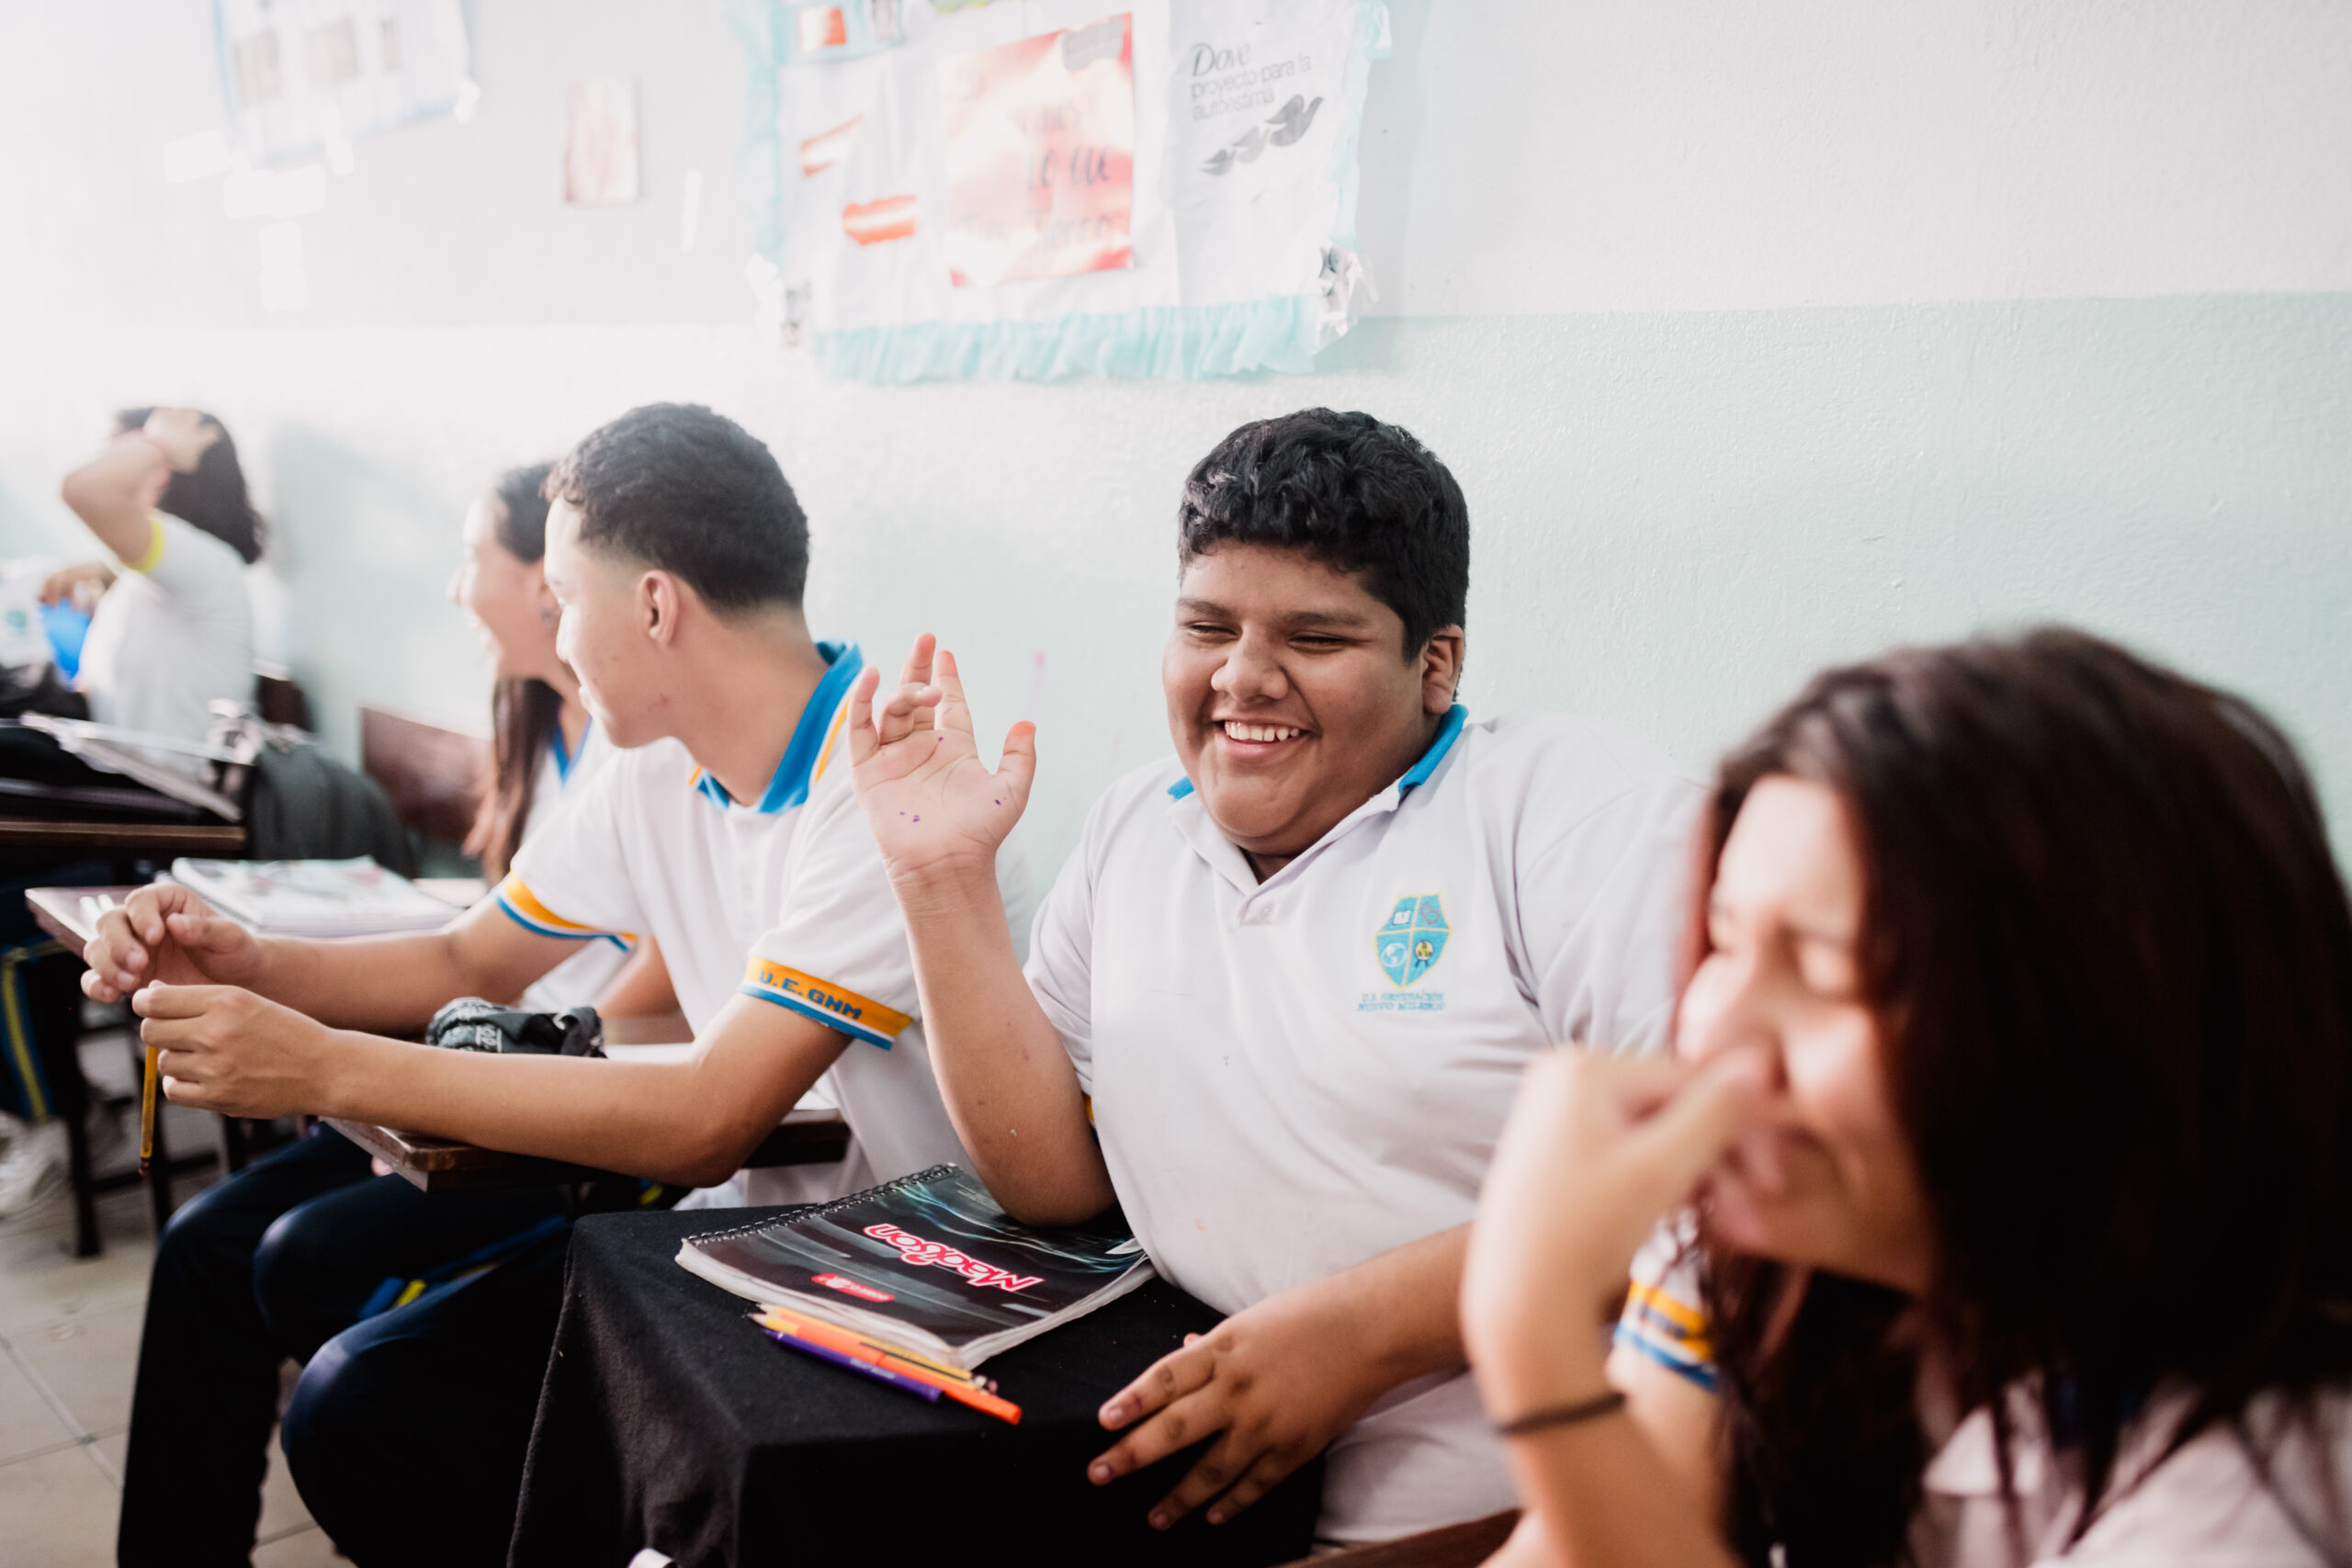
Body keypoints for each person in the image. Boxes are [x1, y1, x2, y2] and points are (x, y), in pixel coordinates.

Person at [90, 403, 1019, 1566]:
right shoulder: (656, 764)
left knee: (375, 1406)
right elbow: (469, 959)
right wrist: (248, 959)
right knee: (359, 1401)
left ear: (655, 606)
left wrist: (322, 1064)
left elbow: (708, 1118)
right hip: (747, 1234)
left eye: (566, 595)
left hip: (914, 1271)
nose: (557, 629)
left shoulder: (881, 780)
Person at [843, 408, 1701, 1545]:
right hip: (1205, 1506)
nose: (1242, 678)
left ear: (1435, 664)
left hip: (1522, 1516)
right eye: (1206, 627)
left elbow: (1704, 1178)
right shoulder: (1135, 827)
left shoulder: (1570, 818)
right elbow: (1053, 1183)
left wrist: (1357, 1336)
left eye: (1316, 639)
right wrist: (941, 877)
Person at [1458, 629, 2352, 1568]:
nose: (1716, 1033)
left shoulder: (2251, 1487)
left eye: (1827, 972)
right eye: (1724, 941)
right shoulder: (1773, 1238)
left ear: (2093, 1021)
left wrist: (1535, 1342)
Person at [112, 458, 650, 1566]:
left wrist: (457, 1067)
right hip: (486, 1064)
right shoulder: (545, 733)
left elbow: (635, 1001)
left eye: (473, 559)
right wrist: (253, 960)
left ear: (553, 583)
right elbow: (479, 949)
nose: (455, 589)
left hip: (558, 1103)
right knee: (204, 1242)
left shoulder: (646, 752)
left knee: (303, 1270)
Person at [54, 405, 262, 750]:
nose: (108, 465)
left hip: (161, 779)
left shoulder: (207, 565)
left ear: (161, 471)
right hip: (117, 762)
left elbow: (85, 490)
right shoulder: (154, 576)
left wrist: (160, 445)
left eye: (119, 455)